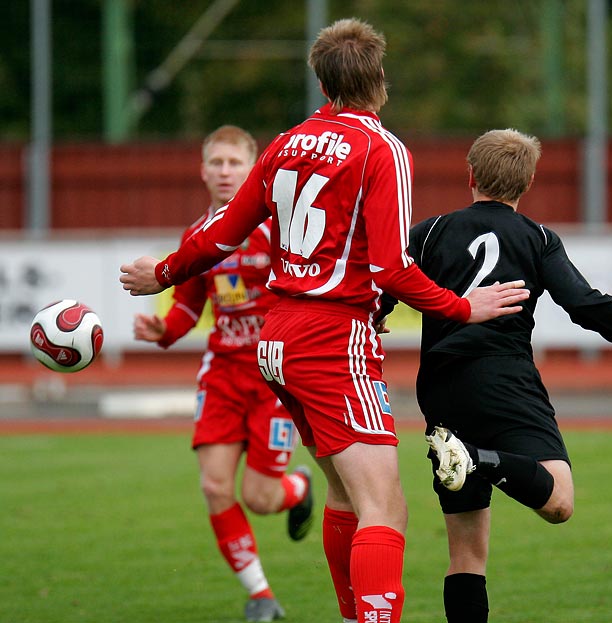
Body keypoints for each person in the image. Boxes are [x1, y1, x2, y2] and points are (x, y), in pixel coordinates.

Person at [120, 20, 530, 623]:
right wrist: (464, 306)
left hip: (276, 337)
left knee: (343, 493)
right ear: (380, 79)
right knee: (384, 509)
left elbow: (222, 230)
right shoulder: (381, 148)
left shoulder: (286, 143)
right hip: (333, 340)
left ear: (320, 79)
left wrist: (164, 272)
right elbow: (391, 267)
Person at [384, 128, 612, 622]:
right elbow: (584, 305)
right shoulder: (539, 238)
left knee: (465, 555)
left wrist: (370, 322)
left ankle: (472, 459)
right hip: (505, 382)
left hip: (440, 388)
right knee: (559, 500)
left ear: (470, 176)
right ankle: (480, 460)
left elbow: (385, 286)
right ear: (526, 185)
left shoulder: (429, 232)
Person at [132, 125, 313, 623]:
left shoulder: (278, 226)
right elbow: (189, 305)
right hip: (222, 377)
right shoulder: (196, 235)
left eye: (235, 163)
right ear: (204, 170)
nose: (226, 171)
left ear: (253, 168)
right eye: (217, 163)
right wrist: (161, 329)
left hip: (275, 379)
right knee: (214, 487)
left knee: (260, 498)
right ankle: (260, 596)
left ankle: (298, 487)